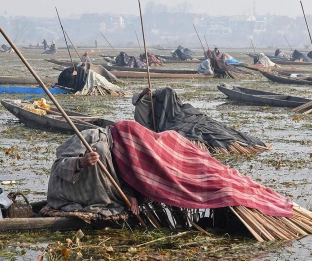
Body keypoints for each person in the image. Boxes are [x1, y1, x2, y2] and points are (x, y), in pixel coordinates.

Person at [46, 120, 292, 219]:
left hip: (133, 139)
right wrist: (82, 163)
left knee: (181, 157)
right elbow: (60, 166)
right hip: (73, 188)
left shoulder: (122, 141)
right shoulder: (90, 142)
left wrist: (133, 195)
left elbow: (134, 173)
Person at [132, 87, 268, 154]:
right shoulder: (152, 103)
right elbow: (136, 100)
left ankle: (234, 144)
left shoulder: (181, 110)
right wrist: (145, 93)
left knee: (212, 129)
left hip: (191, 118)